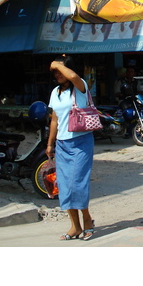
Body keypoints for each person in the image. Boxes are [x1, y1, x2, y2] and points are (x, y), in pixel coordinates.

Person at [46, 55, 96, 241]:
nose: (58, 74)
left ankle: (87, 220)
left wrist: (55, 63)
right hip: (62, 144)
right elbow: (55, 119)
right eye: (55, 71)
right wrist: (50, 143)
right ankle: (75, 227)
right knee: (65, 185)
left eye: (61, 70)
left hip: (81, 142)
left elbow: (73, 77)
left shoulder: (80, 86)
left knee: (77, 184)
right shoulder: (55, 93)